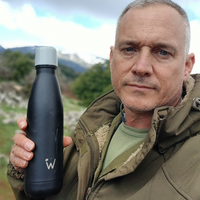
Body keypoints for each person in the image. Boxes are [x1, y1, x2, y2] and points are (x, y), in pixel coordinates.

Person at [7, 0, 200, 199]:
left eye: (162, 52)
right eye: (129, 49)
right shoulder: (88, 134)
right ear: (112, 58)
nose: (141, 67)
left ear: (186, 66)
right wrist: (24, 171)